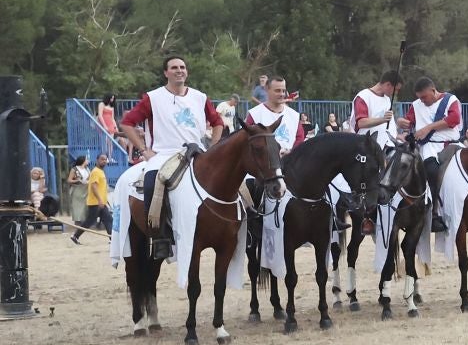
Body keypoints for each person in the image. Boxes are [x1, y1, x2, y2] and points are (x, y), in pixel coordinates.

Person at [114, 54, 227, 263]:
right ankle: (161, 237)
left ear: (187, 71)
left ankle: (237, 229)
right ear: (166, 72)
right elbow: (127, 123)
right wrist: (144, 150)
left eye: (182, 67)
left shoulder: (199, 97)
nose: (179, 70)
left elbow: (218, 122)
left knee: (234, 183)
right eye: (174, 67)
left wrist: (214, 148)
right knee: (151, 181)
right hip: (164, 153)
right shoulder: (153, 98)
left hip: (196, 152)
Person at [398, 76, 462, 233]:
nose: (422, 100)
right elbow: (408, 120)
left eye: (424, 97)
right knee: (432, 171)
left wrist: (428, 128)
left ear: (433, 91)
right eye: (419, 97)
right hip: (429, 148)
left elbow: (454, 119)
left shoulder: (450, 100)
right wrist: (401, 121)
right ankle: (434, 213)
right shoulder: (416, 105)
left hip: (451, 144)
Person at [245, 76, 305, 155]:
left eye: (283, 91)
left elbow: (299, 139)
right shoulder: (255, 115)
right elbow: (245, 141)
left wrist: (290, 152)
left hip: (289, 164)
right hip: (264, 165)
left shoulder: (294, 115)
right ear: (267, 89)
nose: (281, 94)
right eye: (277, 91)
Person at [71, 155, 111, 242]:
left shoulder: (101, 171)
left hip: (101, 202)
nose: (104, 161)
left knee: (108, 220)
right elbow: (94, 186)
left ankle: (112, 238)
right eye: (102, 159)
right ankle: (75, 235)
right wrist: (100, 199)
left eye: (105, 159)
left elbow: (101, 188)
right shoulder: (96, 171)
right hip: (95, 202)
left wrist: (104, 200)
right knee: (89, 221)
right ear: (97, 160)